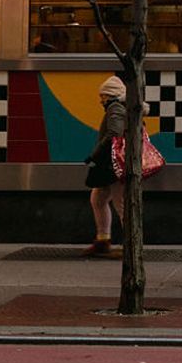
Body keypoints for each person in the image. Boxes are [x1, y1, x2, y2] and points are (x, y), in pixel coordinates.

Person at [82, 75, 127, 257]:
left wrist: (95, 155)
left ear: (111, 95)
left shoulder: (116, 108)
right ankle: (102, 240)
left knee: (121, 204)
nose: (101, 100)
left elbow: (113, 134)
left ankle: (129, 246)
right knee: (98, 199)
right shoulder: (122, 108)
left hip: (114, 165)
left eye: (103, 96)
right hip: (113, 164)